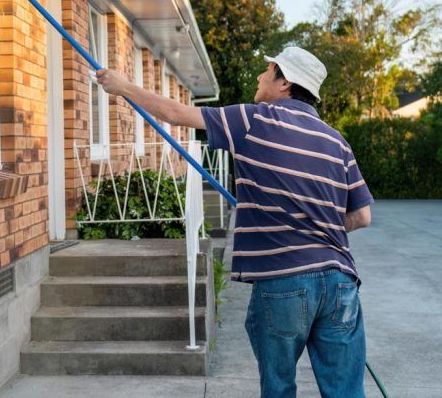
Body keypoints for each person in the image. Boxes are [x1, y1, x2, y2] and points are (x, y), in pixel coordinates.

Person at [96, 45, 373, 398]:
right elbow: (362, 216)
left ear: (285, 82)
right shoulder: (337, 141)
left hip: (284, 282)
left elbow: (177, 114)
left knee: (278, 388)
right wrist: (317, 224)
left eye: (268, 69)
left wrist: (124, 87)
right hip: (340, 285)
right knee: (346, 392)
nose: (260, 76)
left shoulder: (255, 118)